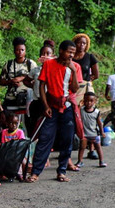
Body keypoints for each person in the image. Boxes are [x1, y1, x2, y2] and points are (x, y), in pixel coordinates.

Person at [25, 40, 80, 183]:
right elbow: (42, 85)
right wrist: (45, 106)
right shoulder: (49, 64)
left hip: (66, 106)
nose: (71, 55)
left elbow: (75, 89)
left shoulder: (74, 67)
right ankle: (35, 172)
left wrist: (74, 71)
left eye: (73, 53)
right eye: (69, 52)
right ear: (61, 51)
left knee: (67, 139)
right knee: (45, 138)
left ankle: (61, 171)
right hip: (51, 106)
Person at [25, 40, 56, 138]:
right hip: (37, 101)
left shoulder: (56, 69)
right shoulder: (36, 70)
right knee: (33, 125)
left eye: (48, 53)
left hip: (50, 102)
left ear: (52, 55)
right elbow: (26, 80)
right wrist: (34, 87)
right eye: (43, 53)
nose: (45, 56)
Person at [0, 37, 36, 117]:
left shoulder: (30, 64)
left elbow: (36, 79)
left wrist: (22, 78)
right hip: (11, 97)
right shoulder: (8, 64)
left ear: (25, 51)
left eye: (22, 50)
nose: (20, 52)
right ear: (14, 51)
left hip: (26, 98)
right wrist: (10, 82)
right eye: (18, 50)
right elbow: (1, 81)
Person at [75, 92, 105, 168]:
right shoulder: (81, 110)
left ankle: (101, 161)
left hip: (94, 134)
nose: (89, 103)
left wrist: (102, 132)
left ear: (94, 101)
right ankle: (80, 161)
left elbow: (99, 123)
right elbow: (76, 114)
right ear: (83, 101)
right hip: (84, 134)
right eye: (86, 101)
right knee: (82, 147)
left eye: (91, 101)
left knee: (98, 147)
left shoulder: (96, 112)